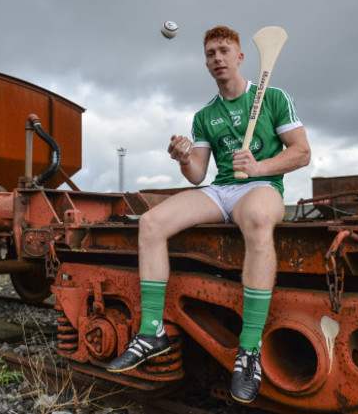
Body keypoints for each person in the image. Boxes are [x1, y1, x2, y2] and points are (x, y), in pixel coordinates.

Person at [106, 25, 311, 404]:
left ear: (240, 57)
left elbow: (301, 152)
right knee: (151, 223)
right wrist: (184, 158)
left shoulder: (273, 98)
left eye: (223, 51)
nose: (217, 58)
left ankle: (248, 352)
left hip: (262, 189)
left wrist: (261, 166)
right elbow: (198, 174)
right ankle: (152, 332)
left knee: (259, 220)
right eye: (210, 54)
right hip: (222, 189)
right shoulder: (206, 115)